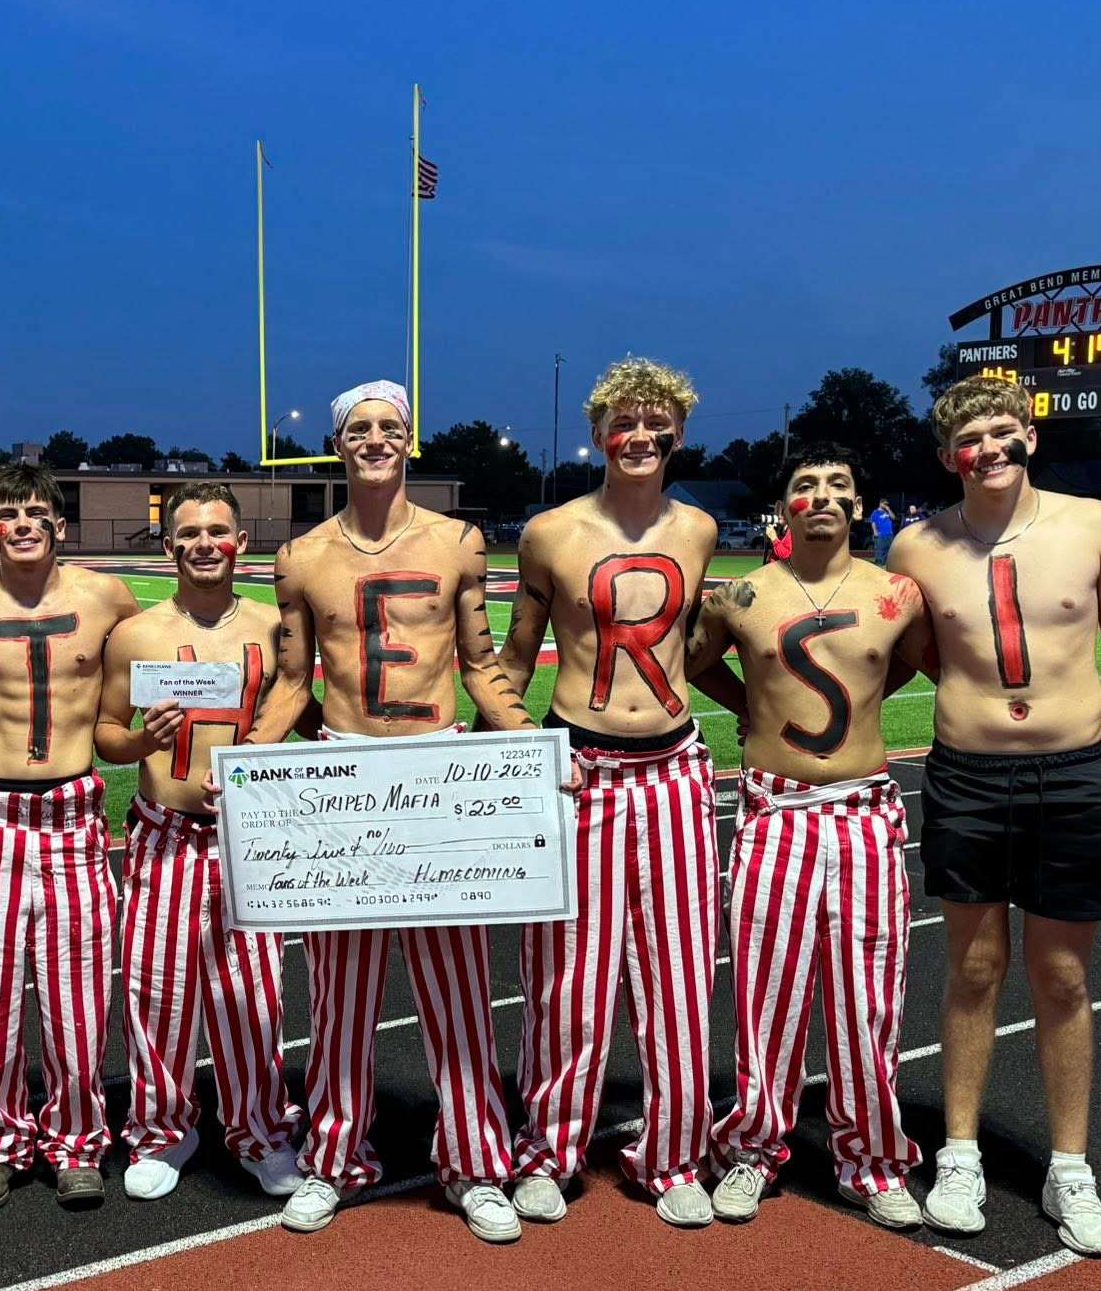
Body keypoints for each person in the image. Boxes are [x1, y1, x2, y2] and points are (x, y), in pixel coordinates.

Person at [890, 376, 1101, 1257]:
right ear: (950, 457)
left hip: (1073, 774)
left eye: (1002, 429)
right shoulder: (916, 546)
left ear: (1030, 437)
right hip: (967, 776)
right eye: (970, 437)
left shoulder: (1093, 524)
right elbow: (911, 654)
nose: (989, 447)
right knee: (973, 970)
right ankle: (960, 1155)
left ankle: (1069, 1169)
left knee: (1062, 979)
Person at [246, 379, 531, 1244]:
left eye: (389, 428)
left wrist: (528, 748)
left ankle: (476, 1161)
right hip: (344, 780)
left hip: (436, 777)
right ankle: (335, 1157)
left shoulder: (457, 542)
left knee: (459, 992)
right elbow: (293, 682)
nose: (375, 440)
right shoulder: (302, 556)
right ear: (338, 445)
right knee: (341, 995)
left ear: (409, 441)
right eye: (360, 430)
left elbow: (481, 666)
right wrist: (250, 760)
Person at [497, 356, 723, 1227]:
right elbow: (515, 659)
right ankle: (549, 1149)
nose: (639, 436)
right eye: (623, 422)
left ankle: (674, 1155)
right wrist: (509, 754)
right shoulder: (549, 532)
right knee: (568, 979)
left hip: (673, 769)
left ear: (679, 434)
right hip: (579, 769)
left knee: (678, 974)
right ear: (597, 434)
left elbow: (696, 643)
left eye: (656, 423)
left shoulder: (698, 529)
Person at [688, 445, 932, 1230]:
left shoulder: (896, 593)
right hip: (774, 813)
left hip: (863, 812)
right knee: (768, 995)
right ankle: (754, 1147)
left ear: (858, 504)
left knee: (869, 1000)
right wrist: (753, 707)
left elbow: (911, 668)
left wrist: (865, 699)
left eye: (837, 485)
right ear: (784, 506)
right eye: (804, 485)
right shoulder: (742, 595)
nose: (821, 496)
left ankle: (873, 1159)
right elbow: (697, 666)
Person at [0, 462, 139, 1211]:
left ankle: (77, 1142)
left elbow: (145, 681)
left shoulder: (107, 597)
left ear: (60, 525)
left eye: (37, 512)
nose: (23, 525)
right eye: (9, 513)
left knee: (78, 999)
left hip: (73, 817)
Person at [95, 482, 304, 1201]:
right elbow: (106, 732)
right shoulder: (136, 633)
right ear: (169, 546)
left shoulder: (275, 628)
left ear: (241, 542)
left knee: (254, 997)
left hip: (250, 838)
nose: (203, 544)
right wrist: (139, 741)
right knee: (157, 992)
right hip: (164, 834)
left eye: (217, 531)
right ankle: (161, 1130)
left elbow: (306, 717)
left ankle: (260, 1129)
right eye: (188, 533)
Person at [869, 498, 898, 566]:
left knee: (889, 549)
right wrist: (875, 532)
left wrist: (889, 510)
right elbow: (873, 523)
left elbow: (893, 517)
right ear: (880, 504)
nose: (886, 505)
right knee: (881, 549)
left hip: (890, 533)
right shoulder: (875, 512)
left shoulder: (887, 512)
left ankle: (887, 563)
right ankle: (879, 562)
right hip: (881, 533)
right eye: (884, 504)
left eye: (887, 504)